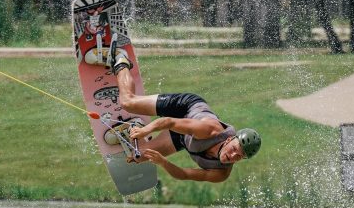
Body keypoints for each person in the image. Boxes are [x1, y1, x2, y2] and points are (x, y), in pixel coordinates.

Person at [108, 47, 261, 183]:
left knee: (139, 157)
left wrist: (163, 162)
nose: (232, 156)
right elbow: (170, 122)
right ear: (229, 139)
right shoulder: (210, 130)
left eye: (238, 157)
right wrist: (146, 130)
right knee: (128, 103)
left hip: (182, 138)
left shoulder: (221, 173)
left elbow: (184, 174)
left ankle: (134, 127)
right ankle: (121, 59)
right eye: (234, 149)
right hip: (185, 108)